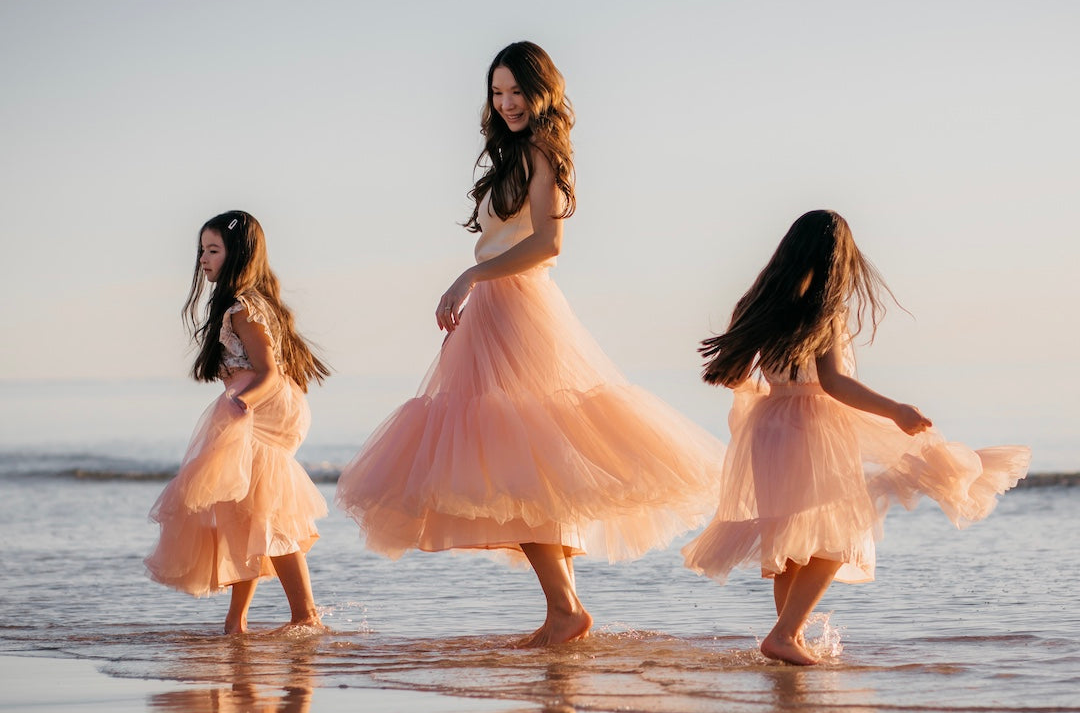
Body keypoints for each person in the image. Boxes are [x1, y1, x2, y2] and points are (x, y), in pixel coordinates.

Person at [335, 41, 725, 647]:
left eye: (517, 91)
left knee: (524, 460)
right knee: (521, 463)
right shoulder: (510, 156)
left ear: (541, 93)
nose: (507, 103)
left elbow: (549, 244)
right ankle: (562, 609)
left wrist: (469, 277)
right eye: (498, 92)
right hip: (494, 313)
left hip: (518, 310)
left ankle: (566, 610)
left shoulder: (543, 152)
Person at [682, 209, 1030, 665]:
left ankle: (791, 637)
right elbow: (835, 384)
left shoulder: (758, 304)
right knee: (840, 535)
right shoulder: (821, 313)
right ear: (837, 262)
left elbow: (734, 376)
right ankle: (784, 635)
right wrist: (896, 411)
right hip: (812, 428)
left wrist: (767, 394)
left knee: (790, 545)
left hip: (768, 428)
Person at [146, 210, 330, 634]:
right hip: (252, 407)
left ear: (238, 255)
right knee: (244, 512)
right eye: (201, 251)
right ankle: (237, 620)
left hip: (260, 411)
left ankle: (306, 616)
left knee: (267, 512)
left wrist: (240, 404)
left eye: (213, 250)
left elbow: (269, 373)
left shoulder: (244, 308)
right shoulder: (241, 305)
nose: (203, 260)